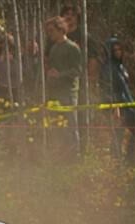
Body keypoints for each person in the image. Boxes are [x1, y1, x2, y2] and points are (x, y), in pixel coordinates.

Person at [45, 16, 81, 157]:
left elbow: (77, 71)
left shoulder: (72, 47)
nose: (50, 34)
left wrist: (60, 75)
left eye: (52, 30)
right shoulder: (53, 48)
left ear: (61, 29)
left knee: (71, 125)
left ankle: (74, 155)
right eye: (48, 31)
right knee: (58, 125)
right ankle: (61, 156)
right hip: (54, 92)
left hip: (68, 93)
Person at [101, 37, 135, 161]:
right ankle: (117, 160)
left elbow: (125, 86)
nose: (118, 52)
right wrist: (115, 107)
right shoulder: (107, 68)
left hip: (128, 103)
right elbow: (108, 89)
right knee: (118, 133)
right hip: (118, 104)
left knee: (132, 132)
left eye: (119, 49)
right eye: (114, 50)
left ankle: (129, 159)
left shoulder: (120, 66)